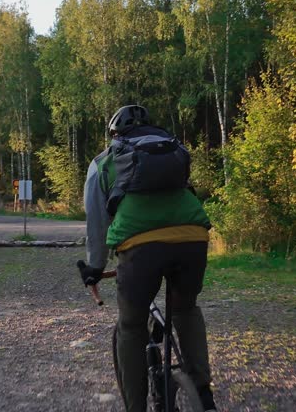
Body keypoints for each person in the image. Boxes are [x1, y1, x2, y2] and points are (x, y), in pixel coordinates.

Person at [79, 105, 218, 412]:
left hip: (140, 248)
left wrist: (95, 267)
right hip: (193, 236)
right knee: (185, 309)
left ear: (115, 134)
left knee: (131, 325)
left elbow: (97, 224)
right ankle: (203, 394)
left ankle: (136, 407)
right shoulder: (173, 149)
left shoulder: (103, 162)